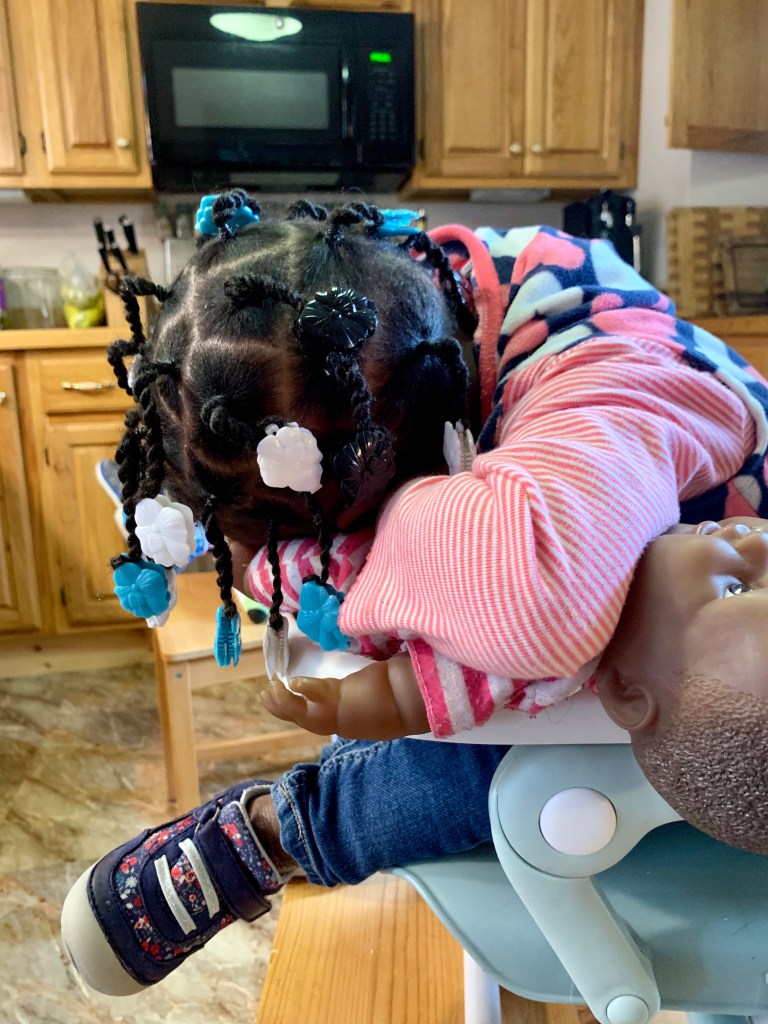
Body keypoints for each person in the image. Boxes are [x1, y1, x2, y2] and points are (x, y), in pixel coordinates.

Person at [61, 191, 768, 999]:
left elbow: (531, 597)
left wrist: (294, 568)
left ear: (440, 457)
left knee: (470, 763)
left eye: (739, 581)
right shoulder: (424, 301)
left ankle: (275, 832)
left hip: (681, 743)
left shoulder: (619, 376)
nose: (753, 540)